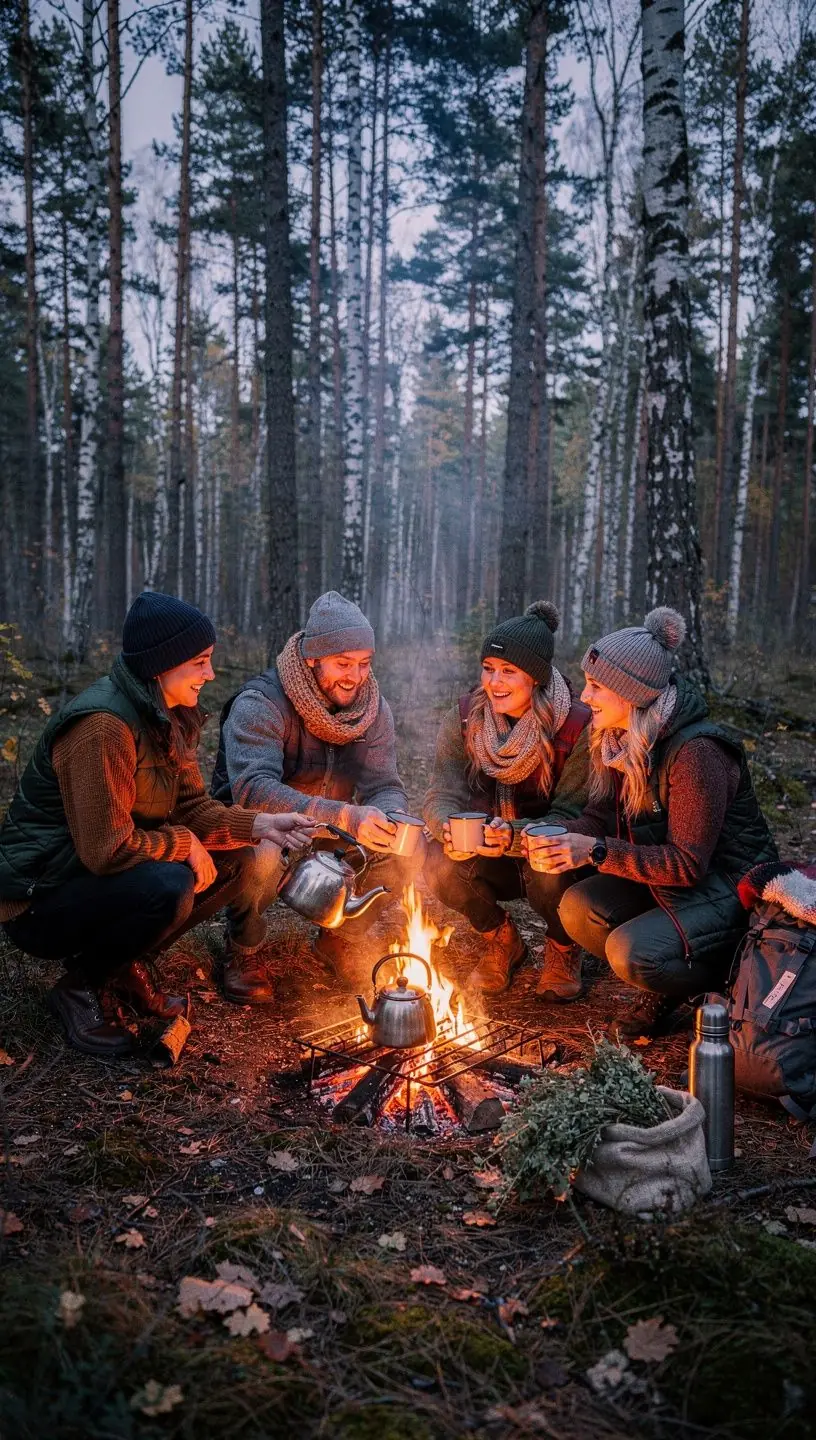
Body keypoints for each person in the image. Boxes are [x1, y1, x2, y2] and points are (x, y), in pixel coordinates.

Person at [0, 592, 314, 1056]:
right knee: (167, 885)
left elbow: (192, 810)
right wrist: (182, 842)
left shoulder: (167, 715)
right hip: (39, 897)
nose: (210, 674)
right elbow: (106, 849)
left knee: (238, 861)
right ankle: (81, 988)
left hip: (86, 877)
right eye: (200, 662)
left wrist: (262, 823)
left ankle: (121, 964)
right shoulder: (103, 726)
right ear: (161, 664)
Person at [523, 607, 778, 1039]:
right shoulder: (616, 740)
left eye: (597, 686)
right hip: (669, 884)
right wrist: (563, 839)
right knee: (576, 908)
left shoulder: (697, 753)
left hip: (731, 890)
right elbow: (599, 818)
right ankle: (674, 960)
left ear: (633, 694)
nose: (585, 697)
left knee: (631, 952)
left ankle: (724, 979)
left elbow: (687, 865)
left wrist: (597, 852)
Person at [212, 591, 417, 984]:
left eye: (364, 664)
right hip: (260, 829)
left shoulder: (372, 709)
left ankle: (338, 938)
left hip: (332, 833)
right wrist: (344, 816)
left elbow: (385, 784)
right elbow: (254, 793)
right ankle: (244, 947)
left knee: (406, 849)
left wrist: (390, 819)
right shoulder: (261, 702)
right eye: (343, 663)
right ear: (312, 657)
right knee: (264, 857)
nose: (355, 676)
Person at [422, 601, 591, 997]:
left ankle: (563, 947)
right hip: (488, 853)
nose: (494, 682)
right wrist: (445, 825)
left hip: (549, 861)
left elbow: (574, 816)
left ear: (536, 678)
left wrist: (514, 835)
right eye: (488, 668)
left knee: (548, 866)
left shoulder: (577, 726)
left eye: (509, 672)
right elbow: (440, 792)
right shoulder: (465, 718)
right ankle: (501, 939)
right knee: (433, 861)